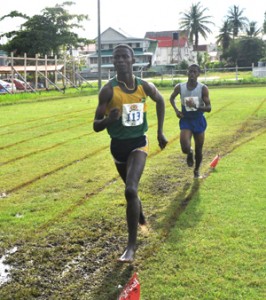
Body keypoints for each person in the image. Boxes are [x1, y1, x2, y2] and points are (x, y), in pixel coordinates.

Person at [93, 44, 168, 262]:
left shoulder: (143, 86)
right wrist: (109, 120)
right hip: (118, 147)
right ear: (113, 62)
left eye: (125, 57)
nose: (120, 60)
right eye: (116, 58)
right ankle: (141, 216)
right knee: (131, 192)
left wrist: (160, 132)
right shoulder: (108, 90)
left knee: (130, 189)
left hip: (139, 144)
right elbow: (96, 125)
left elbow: (161, 100)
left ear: (133, 60)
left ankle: (131, 247)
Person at [169, 64, 211, 178]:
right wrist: (177, 110)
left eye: (194, 72)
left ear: (198, 74)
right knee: (185, 147)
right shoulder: (180, 87)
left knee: (199, 148)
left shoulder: (203, 88)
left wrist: (197, 107)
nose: (192, 74)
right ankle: (189, 152)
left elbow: (209, 108)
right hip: (186, 119)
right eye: (190, 71)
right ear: (187, 73)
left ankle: (197, 170)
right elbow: (171, 98)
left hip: (198, 119)